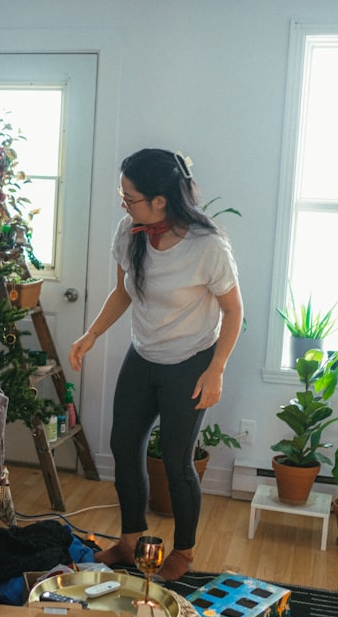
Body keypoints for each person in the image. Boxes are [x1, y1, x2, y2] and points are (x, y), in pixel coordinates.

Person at [69, 148, 243, 581]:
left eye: (130, 197)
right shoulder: (131, 232)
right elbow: (124, 292)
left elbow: (234, 311)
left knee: (177, 460)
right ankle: (130, 541)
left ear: (161, 199)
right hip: (143, 355)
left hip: (190, 361)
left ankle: (183, 551)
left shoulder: (208, 247)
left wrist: (216, 368)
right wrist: (91, 334)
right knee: (124, 446)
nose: (123, 204)